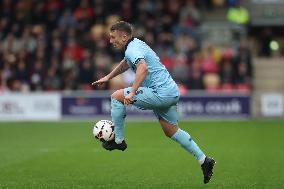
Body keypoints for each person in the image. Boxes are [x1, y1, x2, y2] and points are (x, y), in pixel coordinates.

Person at [92, 21, 215, 184]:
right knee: (171, 131)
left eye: (113, 37)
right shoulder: (136, 45)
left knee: (116, 96)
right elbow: (126, 63)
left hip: (160, 93)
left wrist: (134, 91)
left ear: (124, 36)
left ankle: (118, 140)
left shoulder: (133, 48)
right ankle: (204, 160)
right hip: (171, 91)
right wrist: (108, 77)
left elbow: (143, 68)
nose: (110, 40)